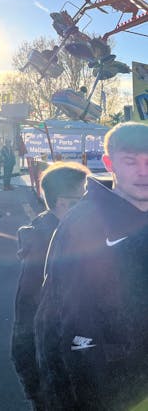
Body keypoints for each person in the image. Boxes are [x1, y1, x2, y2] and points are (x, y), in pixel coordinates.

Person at [35, 122, 148, 411]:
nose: (143, 171)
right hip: (111, 387)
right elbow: (56, 316)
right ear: (110, 163)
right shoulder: (83, 224)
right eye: (130, 161)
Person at [11, 162, 89, 410]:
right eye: (83, 199)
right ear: (64, 203)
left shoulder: (61, 232)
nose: (90, 207)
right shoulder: (48, 247)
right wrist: (35, 384)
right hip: (55, 373)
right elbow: (27, 317)